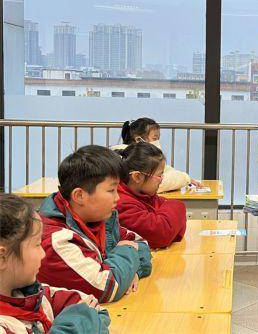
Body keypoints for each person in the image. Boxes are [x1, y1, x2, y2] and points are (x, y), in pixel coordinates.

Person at [38, 145, 152, 303]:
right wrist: (127, 250)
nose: (118, 198)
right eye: (111, 190)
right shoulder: (55, 240)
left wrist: (131, 272)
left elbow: (142, 245)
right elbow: (108, 287)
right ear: (79, 195)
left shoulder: (97, 218)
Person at [0, 194, 110, 333]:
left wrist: (84, 319)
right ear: (2, 258)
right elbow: (90, 315)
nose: (43, 254)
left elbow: (94, 308)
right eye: (37, 245)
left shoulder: (36, 295)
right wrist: (78, 322)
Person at [116, 142, 187, 249]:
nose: (161, 180)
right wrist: (178, 206)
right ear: (137, 177)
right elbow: (161, 234)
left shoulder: (144, 195)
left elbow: (175, 228)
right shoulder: (121, 203)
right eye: (159, 176)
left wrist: (173, 226)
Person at [112, 118, 203, 192]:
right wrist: (185, 178)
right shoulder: (133, 158)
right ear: (139, 140)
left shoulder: (139, 155)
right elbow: (160, 183)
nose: (157, 142)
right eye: (155, 138)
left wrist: (187, 179)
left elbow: (164, 169)